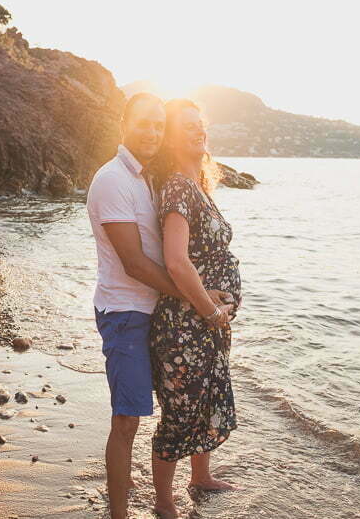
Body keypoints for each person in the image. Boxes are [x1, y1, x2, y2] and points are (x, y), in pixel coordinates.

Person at [86, 93, 231, 519]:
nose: (151, 132)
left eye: (157, 126)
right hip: (125, 314)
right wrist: (200, 298)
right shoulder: (112, 179)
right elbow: (134, 263)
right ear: (123, 124)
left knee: (178, 405)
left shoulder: (148, 179)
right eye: (143, 124)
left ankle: (181, 480)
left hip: (157, 312)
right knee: (127, 418)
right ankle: (119, 513)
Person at [146, 99, 241, 519]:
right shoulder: (178, 187)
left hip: (206, 324)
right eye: (186, 126)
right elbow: (176, 261)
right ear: (170, 137)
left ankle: (200, 477)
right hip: (186, 324)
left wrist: (218, 315)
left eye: (200, 123)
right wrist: (210, 311)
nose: (198, 130)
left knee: (207, 401)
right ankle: (164, 503)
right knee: (181, 412)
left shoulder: (197, 183)